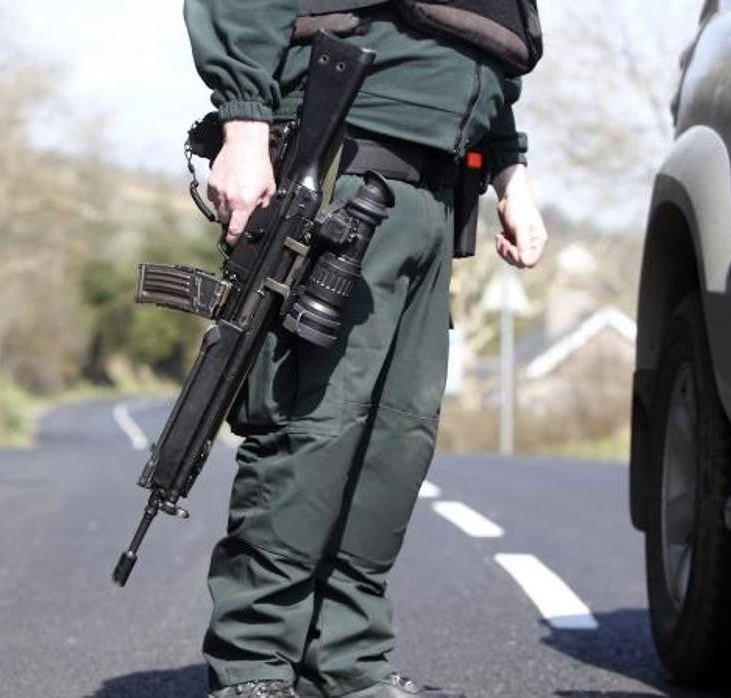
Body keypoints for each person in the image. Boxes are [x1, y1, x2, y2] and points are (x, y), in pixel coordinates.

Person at [183, 2, 548, 697]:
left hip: (438, 199)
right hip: (342, 174)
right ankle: (256, 667)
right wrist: (245, 123)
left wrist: (510, 174)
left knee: (395, 441)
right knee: (312, 430)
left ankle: (346, 663)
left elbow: (484, 47)